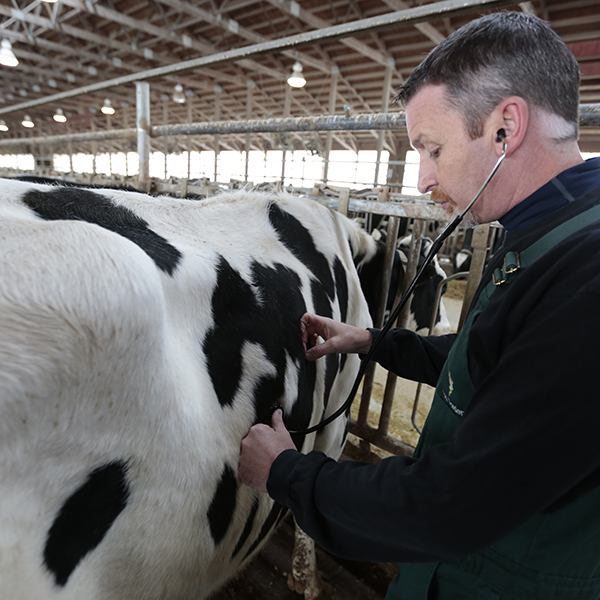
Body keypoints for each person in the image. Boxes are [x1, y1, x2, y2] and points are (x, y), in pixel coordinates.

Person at [239, 10, 600, 600]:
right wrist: (372, 341)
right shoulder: (546, 233)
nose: (423, 180)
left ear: (506, 127)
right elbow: (494, 361)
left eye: (430, 148)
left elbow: (450, 506)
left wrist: (288, 474)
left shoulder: (587, 276)